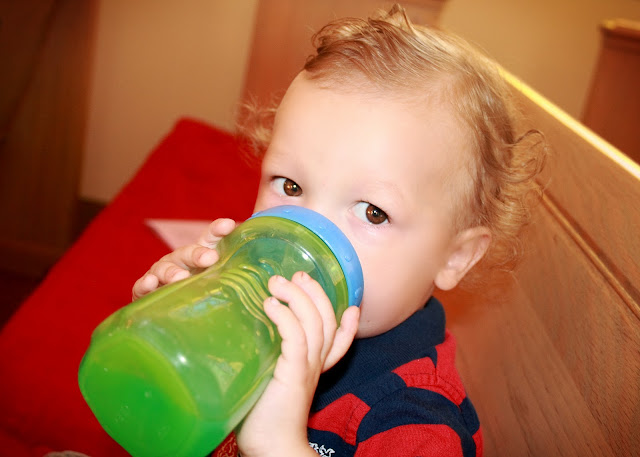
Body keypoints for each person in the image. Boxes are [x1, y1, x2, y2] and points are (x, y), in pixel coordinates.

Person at [132, 5, 545, 456]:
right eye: (290, 186)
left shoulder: (417, 420)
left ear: (455, 256)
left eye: (372, 212)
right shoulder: (257, 316)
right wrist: (174, 331)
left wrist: (277, 443)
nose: (307, 233)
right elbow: (158, 432)